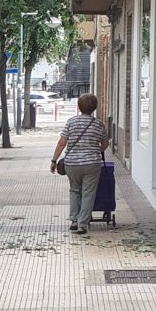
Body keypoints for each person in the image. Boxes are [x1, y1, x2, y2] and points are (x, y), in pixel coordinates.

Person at [50, 94, 109, 235]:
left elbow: (62, 143)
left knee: (75, 190)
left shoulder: (71, 122)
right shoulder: (99, 124)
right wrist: (96, 150)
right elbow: (105, 143)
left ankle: (74, 220)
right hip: (92, 164)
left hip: (72, 164)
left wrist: (54, 160)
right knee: (88, 193)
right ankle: (83, 224)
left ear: (79, 107)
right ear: (95, 108)